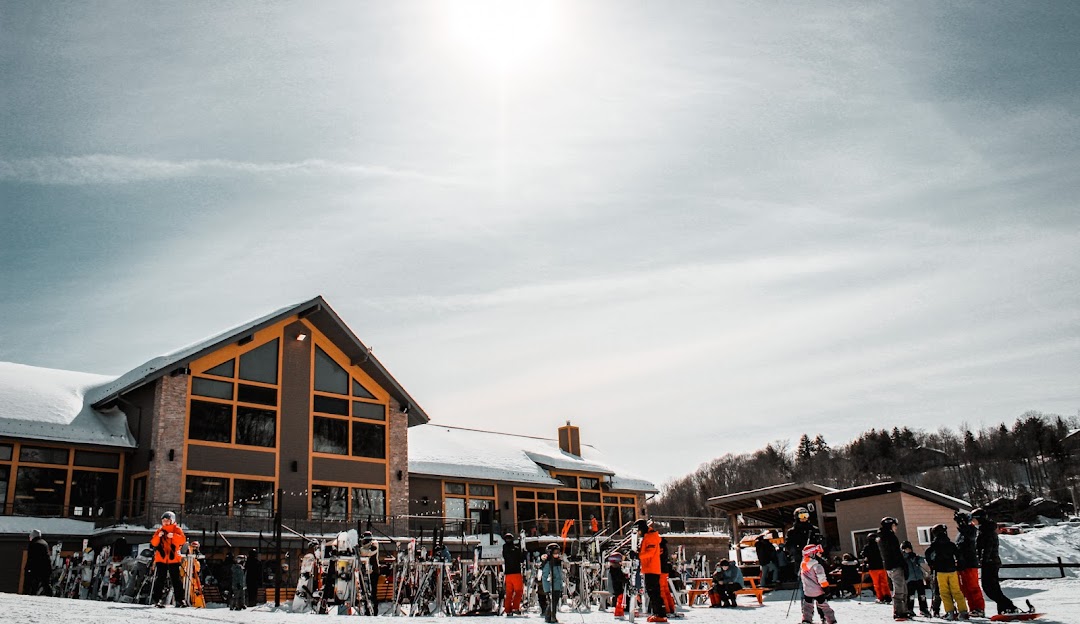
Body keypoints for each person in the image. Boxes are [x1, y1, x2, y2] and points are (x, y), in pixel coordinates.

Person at [971, 508, 1020, 615]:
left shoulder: (986, 531)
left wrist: (984, 559)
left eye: (974, 519)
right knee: (993, 588)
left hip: (990, 562)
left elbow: (987, 547)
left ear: (980, 519)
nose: (973, 522)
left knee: (989, 589)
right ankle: (1003, 608)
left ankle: (1010, 606)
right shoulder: (984, 529)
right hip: (990, 562)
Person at [925, 523, 968, 621]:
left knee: (944, 592)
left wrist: (931, 564)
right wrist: (959, 565)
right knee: (956, 591)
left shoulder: (934, 545)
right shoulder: (951, 544)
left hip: (940, 571)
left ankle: (950, 612)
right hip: (952, 570)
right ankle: (963, 611)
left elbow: (928, 554)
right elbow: (959, 555)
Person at [150, 511, 187, 608]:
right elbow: (153, 543)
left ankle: (180, 600)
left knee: (176, 579)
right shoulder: (159, 531)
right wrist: (158, 536)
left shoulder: (177, 529)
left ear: (172, 520)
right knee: (160, 579)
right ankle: (157, 599)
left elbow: (182, 540)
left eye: (167, 520)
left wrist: (173, 536)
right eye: (163, 521)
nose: (165, 522)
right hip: (161, 558)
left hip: (173, 559)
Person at [954, 510, 985, 618]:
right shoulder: (960, 534)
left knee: (973, 587)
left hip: (970, 563)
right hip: (962, 564)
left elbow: (970, 538)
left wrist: (964, 525)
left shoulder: (971, 530)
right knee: (965, 589)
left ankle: (979, 608)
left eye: (960, 521)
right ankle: (973, 608)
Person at [877, 517, 910, 619]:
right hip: (895, 566)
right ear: (890, 526)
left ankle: (903, 610)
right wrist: (903, 564)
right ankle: (899, 612)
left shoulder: (881, 537)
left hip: (889, 566)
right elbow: (896, 553)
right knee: (900, 589)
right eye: (895, 525)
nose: (896, 528)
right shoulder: (890, 537)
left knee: (902, 589)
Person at [635, 519, 667, 623]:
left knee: (654, 592)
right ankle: (657, 613)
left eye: (638, 530)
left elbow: (650, 552)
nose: (638, 533)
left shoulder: (651, 537)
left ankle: (660, 614)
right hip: (649, 568)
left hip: (652, 568)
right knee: (651, 592)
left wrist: (638, 555)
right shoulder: (647, 536)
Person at [798, 544, 837, 624]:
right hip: (818, 591)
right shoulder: (817, 566)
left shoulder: (803, 565)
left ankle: (806, 620)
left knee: (808, 606)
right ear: (812, 554)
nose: (820, 555)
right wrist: (826, 588)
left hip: (808, 590)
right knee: (824, 606)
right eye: (817, 553)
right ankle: (831, 620)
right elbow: (822, 579)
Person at [860, 530, 890, 604]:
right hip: (882, 566)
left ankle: (880, 597)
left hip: (873, 568)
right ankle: (887, 596)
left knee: (877, 584)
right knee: (884, 582)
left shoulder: (867, 547)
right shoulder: (880, 545)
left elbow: (863, 555)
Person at [901, 541, 930, 617]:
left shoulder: (915, 556)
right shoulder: (903, 559)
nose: (908, 550)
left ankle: (923, 608)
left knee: (922, 595)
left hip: (919, 578)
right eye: (906, 549)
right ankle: (910, 609)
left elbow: (923, 559)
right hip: (910, 579)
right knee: (911, 595)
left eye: (909, 549)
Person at [24, 529, 53, 596]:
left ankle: (30, 596)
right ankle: (51, 596)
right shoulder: (45, 543)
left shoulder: (33, 544)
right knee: (46, 584)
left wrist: (27, 568)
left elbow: (31, 558)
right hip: (46, 567)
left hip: (36, 568)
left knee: (33, 584)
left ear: (33, 536)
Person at [540, 543, 564, 624]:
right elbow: (545, 577)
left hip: (557, 586)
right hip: (551, 587)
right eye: (555, 552)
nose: (557, 554)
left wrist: (561, 586)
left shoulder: (558, 562)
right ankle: (549, 617)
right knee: (551, 603)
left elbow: (559, 575)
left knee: (555, 603)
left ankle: (552, 616)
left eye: (558, 552)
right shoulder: (548, 563)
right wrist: (547, 590)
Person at [502, 533, 524, 616]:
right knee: (518, 591)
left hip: (508, 574)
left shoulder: (504, 548)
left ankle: (508, 609)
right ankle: (515, 607)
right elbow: (521, 559)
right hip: (516, 573)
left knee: (509, 593)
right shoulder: (515, 549)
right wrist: (522, 551)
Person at [359, 532, 379, 614]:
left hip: (373, 572)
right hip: (364, 571)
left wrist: (360, 550)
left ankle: (374, 610)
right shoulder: (363, 547)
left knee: (373, 591)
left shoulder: (374, 545)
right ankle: (366, 609)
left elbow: (368, 553)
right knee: (364, 591)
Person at [608, 552, 627, 618]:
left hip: (617, 587)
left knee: (620, 600)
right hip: (617, 588)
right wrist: (625, 579)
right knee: (619, 600)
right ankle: (618, 613)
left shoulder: (612, 569)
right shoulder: (616, 570)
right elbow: (619, 578)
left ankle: (620, 612)